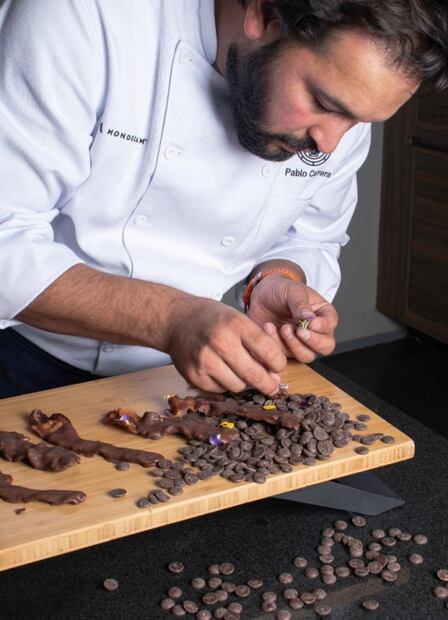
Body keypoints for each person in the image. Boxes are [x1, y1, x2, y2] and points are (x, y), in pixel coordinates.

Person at [0, 0, 446, 399]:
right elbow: (5, 238)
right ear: (263, 13)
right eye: (323, 103)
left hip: (188, 382)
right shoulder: (83, 14)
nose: (329, 145)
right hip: (23, 358)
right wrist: (171, 319)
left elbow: (311, 236)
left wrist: (274, 281)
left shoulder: (340, 116)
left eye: (358, 122)